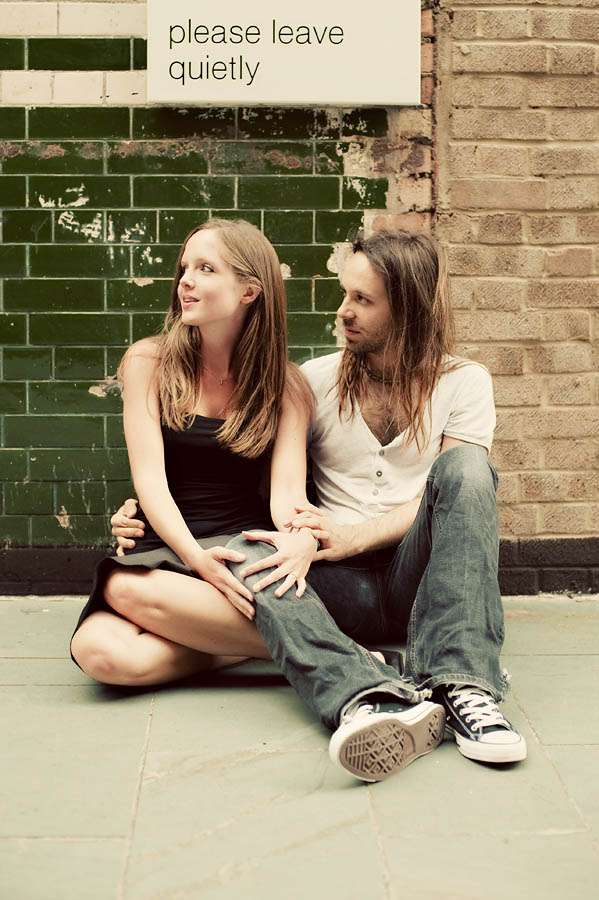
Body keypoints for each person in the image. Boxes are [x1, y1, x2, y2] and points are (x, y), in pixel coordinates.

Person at [112, 229, 527, 783]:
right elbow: (266, 488)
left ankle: (464, 687)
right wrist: (143, 512)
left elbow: (455, 498)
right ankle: (367, 692)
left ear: (407, 309)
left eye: (362, 300)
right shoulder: (314, 381)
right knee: (253, 548)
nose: (343, 311)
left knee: (470, 469)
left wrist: (353, 536)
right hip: (333, 586)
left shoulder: (465, 382)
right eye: (345, 294)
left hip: (423, 579)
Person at [69, 218, 406, 711]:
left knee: (125, 593)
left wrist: (300, 537)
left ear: (250, 290)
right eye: (185, 268)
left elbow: (287, 496)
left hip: (236, 552)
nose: (186, 281)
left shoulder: (287, 387)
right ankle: (338, 654)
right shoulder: (148, 362)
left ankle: (271, 643)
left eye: (206, 269)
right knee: (101, 652)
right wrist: (194, 559)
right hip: (168, 545)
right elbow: (150, 482)